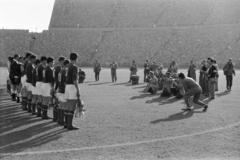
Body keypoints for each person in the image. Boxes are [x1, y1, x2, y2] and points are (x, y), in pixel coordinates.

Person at [65, 52, 81, 130]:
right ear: (76, 58)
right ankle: (70, 125)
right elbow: (74, 79)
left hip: (67, 86)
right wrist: (78, 89)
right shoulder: (74, 67)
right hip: (72, 86)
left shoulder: (67, 66)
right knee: (72, 106)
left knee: (68, 106)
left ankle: (66, 123)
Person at [58, 59, 70, 126]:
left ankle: (60, 120)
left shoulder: (60, 70)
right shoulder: (65, 71)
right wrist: (67, 91)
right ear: (67, 64)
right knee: (65, 106)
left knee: (61, 105)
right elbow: (65, 82)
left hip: (60, 89)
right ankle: (65, 122)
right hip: (63, 90)